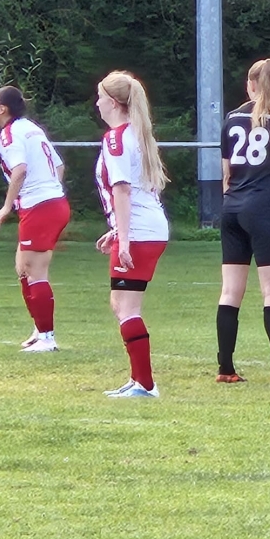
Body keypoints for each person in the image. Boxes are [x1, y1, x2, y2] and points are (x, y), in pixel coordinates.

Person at [216, 58, 270, 384]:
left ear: (251, 85)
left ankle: (226, 368)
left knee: (230, 291)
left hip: (232, 208)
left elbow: (227, 173)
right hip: (264, 209)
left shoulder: (231, 119)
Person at [95, 71, 169, 398]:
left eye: (100, 97)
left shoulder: (116, 138)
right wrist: (117, 230)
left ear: (113, 102)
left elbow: (122, 190)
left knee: (126, 307)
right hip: (146, 227)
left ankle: (145, 384)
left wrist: (124, 238)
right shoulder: (135, 135)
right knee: (122, 304)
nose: (97, 104)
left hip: (139, 231)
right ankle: (138, 379)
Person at [0, 86, 71, 353]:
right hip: (51, 204)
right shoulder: (32, 128)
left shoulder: (10, 134)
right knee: (22, 268)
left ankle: (47, 337)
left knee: (35, 271)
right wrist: (52, 191)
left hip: (41, 206)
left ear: (3, 108)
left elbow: (20, 170)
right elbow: (59, 166)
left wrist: (6, 207)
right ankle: (40, 329)